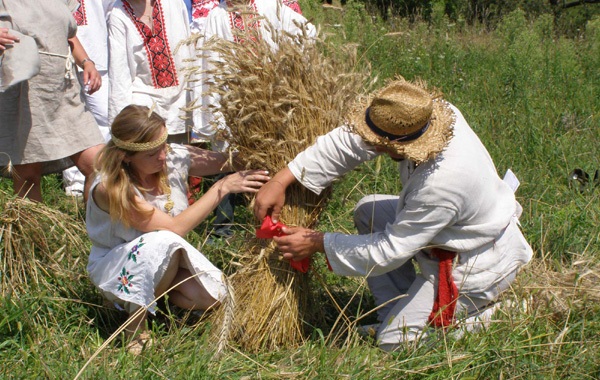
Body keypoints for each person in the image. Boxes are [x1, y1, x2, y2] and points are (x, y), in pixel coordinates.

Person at [254, 79, 533, 351]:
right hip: (448, 227)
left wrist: (318, 243)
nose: (373, 147)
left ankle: (496, 313)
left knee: (394, 342)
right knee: (369, 211)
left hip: (473, 259)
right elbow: (350, 141)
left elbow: (390, 250)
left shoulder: (443, 183)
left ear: (406, 145)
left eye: (381, 144)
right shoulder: (424, 114)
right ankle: (394, 310)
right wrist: (282, 180)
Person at [86, 104, 270, 353]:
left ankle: (156, 302)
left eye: (163, 145)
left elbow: (228, 162)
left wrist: (269, 152)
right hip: (116, 267)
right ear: (125, 156)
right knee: (162, 240)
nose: (163, 157)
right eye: (151, 153)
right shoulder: (111, 187)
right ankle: (134, 325)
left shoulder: (170, 156)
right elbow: (173, 229)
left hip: (166, 261)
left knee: (213, 296)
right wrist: (221, 188)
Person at [191, 0, 316, 240]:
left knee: (273, 161)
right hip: (233, 104)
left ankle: (270, 222)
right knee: (228, 162)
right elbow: (210, 64)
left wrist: (285, 69)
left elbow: (307, 32)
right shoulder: (217, 16)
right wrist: (215, 112)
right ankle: (223, 230)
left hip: (273, 100)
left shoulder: (269, 6)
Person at [0, 0, 106, 202]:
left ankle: (100, 230)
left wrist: (86, 62)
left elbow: (69, 35)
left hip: (64, 90)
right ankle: (31, 233)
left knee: (99, 165)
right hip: (24, 91)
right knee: (28, 174)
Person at [108, 0, 193, 142]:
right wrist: (121, 129)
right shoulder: (118, 15)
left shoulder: (173, 3)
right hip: (145, 106)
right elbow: (119, 76)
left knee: (183, 159)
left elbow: (189, 51)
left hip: (181, 103)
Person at [63, 0, 115, 198]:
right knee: (68, 118)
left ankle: (106, 176)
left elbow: (112, 10)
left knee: (104, 116)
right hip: (60, 54)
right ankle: (74, 181)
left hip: (96, 52)